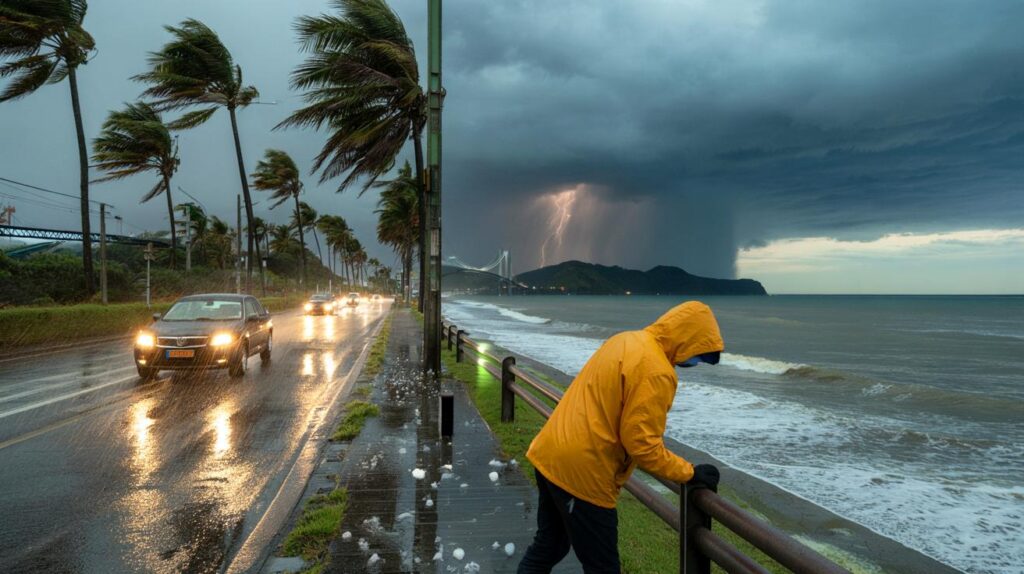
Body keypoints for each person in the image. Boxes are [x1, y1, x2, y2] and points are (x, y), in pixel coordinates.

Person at [518, 301, 725, 574]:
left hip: (549, 453)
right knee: (603, 567)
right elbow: (642, 444)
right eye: (699, 354)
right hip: (583, 474)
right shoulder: (656, 370)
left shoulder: (626, 340)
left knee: (550, 545)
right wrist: (689, 473)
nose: (696, 362)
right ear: (687, 340)